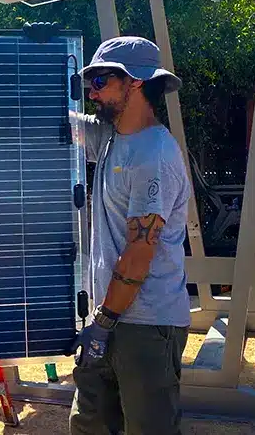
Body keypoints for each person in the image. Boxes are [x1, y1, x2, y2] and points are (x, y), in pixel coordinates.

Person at [67, 36, 192, 435]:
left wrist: (103, 323)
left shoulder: (153, 154)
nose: (91, 91)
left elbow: (140, 253)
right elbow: (58, 124)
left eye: (101, 81)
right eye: (90, 83)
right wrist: (32, 60)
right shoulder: (111, 138)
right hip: (109, 320)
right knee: (88, 426)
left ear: (136, 82)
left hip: (145, 327)